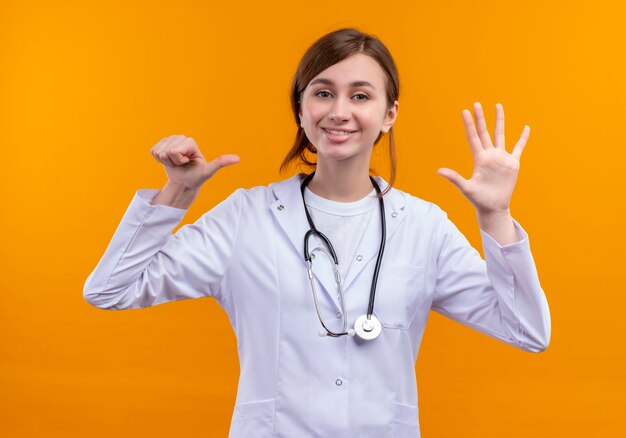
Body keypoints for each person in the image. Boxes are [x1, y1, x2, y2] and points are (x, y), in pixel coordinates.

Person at [84, 28, 551, 437]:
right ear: (301, 109)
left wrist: (496, 215)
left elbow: (527, 330)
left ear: (390, 114)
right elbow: (110, 289)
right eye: (323, 93)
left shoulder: (423, 227)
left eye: (361, 96)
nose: (339, 111)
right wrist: (177, 192)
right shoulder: (246, 217)